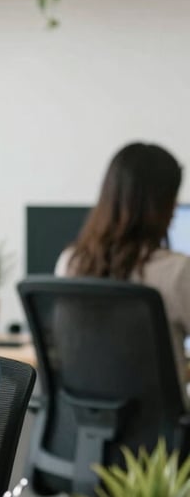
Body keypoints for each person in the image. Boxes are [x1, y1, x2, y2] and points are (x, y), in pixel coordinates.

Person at [55, 141, 190, 393]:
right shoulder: (177, 271)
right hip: (159, 418)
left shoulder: (70, 262)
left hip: (82, 417)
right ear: (162, 205)